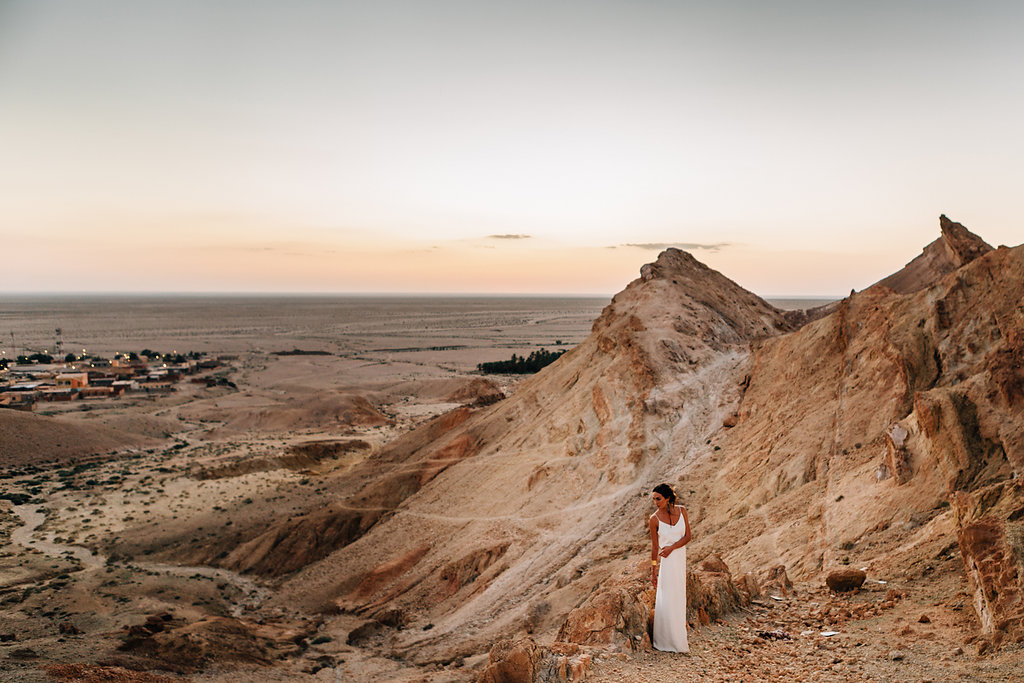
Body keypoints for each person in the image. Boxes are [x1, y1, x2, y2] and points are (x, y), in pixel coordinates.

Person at [649, 483, 691, 653]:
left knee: (678, 598)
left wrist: (672, 547)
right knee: (666, 599)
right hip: (666, 564)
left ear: (667, 498)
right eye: (653, 499)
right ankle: (664, 641)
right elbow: (654, 547)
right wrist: (653, 570)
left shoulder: (682, 511)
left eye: (658, 499)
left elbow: (688, 536)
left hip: (679, 559)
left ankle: (678, 640)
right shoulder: (654, 519)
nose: (655, 502)